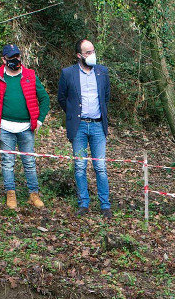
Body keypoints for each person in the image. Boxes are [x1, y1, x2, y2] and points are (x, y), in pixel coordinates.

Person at [0, 44, 51, 210]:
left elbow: (45, 98)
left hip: (26, 127)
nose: (15, 61)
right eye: (11, 58)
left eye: (17, 57)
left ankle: (33, 194)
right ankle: (11, 194)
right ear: (4, 59)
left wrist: (39, 120)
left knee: (29, 162)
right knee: (7, 162)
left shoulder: (30, 75)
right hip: (5, 127)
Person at [57, 39, 112, 218]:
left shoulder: (102, 72)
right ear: (79, 55)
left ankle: (105, 205)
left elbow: (106, 97)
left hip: (97, 126)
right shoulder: (68, 73)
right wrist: (73, 115)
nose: (92, 55)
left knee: (100, 167)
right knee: (80, 165)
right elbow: (62, 99)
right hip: (79, 127)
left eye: (93, 51)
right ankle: (84, 203)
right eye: (88, 52)